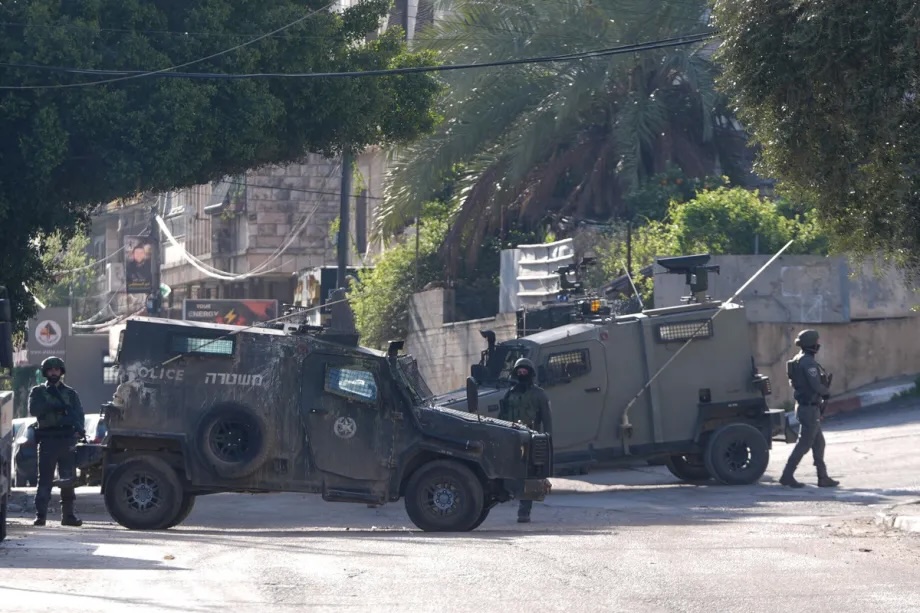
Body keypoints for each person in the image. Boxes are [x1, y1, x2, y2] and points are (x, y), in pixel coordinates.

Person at [29, 356, 85, 526]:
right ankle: (41, 515)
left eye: (57, 370)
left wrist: (79, 431)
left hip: (66, 439)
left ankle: (68, 516)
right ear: (46, 372)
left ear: (61, 372)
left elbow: (79, 415)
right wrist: (53, 406)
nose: (54, 373)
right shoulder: (38, 392)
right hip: (48, 439)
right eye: (51, 370)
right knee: (45, 479)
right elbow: (34, 410)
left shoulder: (70, 393)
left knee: (68, 479)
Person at [780, 330, 840, 489]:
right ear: (811, 344)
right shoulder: (808, 363)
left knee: (819, 442)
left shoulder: (797, 360)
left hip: (805, 406)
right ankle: (787, 475)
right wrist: (826, 392)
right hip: (809, 408)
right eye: (816, 341)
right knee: (804, 443)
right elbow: (815, 385)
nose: (818, 344)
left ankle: (823, 477)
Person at [498, 358, 553, 523]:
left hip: (531, 439)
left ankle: (524, 511)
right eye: (519, 371)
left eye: (525, 371)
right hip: (512, 438)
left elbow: (547, 420)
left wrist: (547, 441)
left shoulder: (539, 394)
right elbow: (502, 416)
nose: (522, 373)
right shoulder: (510, 393)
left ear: (530, 373)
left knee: (529, 475)